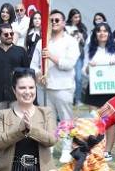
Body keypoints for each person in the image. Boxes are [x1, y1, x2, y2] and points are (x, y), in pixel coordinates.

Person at [31, 10, 80, 160]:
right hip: (44, 87)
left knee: (65, 119)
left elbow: (69, 64)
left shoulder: (70, 41)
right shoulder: (42, 41)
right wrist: (38, 75)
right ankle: (49, 145)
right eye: (51, 20)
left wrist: (51, 56)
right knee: (47, 118)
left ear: (64, 22)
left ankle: (66, 148)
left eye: (57, 20)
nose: (54, 23)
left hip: (63, 86)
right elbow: (33, 64)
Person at [0, 22, 30, 117]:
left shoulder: (21, 51)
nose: (9, 36)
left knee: (17, 126)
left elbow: (27, 74)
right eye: (6, 34)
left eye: (11, 34)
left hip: (17, 96)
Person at [82, 22, 115, 108]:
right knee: (95, 118)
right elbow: (84, 70)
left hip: (112, 89)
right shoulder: (89, 50)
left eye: (105, 31)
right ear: (95, 34)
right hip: (94, 88)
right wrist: (89, 67)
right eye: (99, 31)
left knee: (111, 117)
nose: (102, 33)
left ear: (109, 33)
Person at [67, 8, 89, 105]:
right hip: (66, 56)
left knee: (78, 78)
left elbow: (84, 44)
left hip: (78, 55)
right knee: (68, 78)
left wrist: (81, 37)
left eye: (79, 17)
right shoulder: (65, 27)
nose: (78, 19)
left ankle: (78, 99)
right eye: (75, 17)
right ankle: (69, 99)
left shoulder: (82, 27)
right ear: (71, 17)